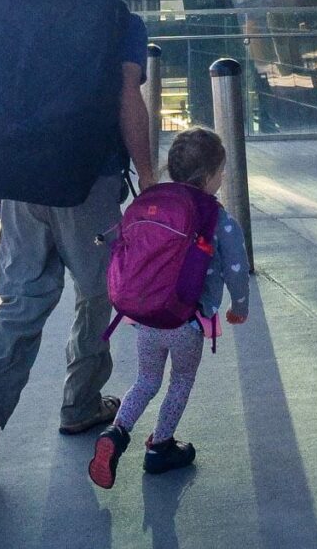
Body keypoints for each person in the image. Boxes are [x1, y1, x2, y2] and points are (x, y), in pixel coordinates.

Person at [0, 0, 156, 482]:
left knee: (22, 299)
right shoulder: (121, 22)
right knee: (98, 293)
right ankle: (80, 405)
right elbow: (128, 96)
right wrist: (150, 178)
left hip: (20, 180)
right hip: (90, 181)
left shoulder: (24, 14)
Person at [88, 127, 250, 489]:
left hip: (144, 316)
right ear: (208, 177)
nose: (222, 179)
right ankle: (161, 445)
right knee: (180, 381)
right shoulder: (217, 218)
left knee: (145, 381)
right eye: (221, 173)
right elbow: (236, 267)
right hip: (185, 321)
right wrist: (239, 305)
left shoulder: (152, 202)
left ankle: (116, 433)